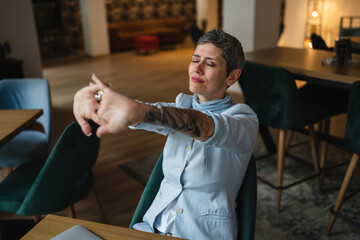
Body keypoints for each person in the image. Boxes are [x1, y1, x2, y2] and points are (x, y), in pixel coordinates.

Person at [73, 28, 258, 240]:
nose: (196, 69)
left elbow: (206, 126)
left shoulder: (244, 120)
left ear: (232, 76)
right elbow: (140, 112)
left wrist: (141, 112)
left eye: (209, 63)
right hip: (150, 228)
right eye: (194, 59)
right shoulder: (180, 106)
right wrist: (91, 97)